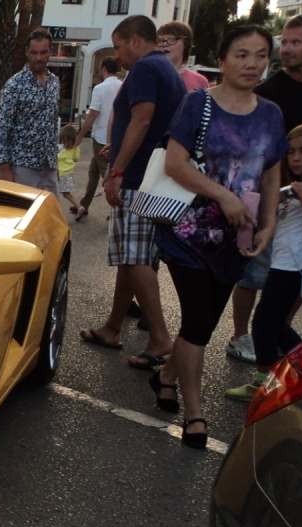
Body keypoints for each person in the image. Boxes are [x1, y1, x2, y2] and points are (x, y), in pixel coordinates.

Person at [148, 25, 284, 449]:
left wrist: (267, 225)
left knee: (200, 323)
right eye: (242, 54)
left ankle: (167, 375)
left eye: (261, 55)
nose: (252, 64)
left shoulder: (271, 113)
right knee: (199, 323)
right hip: (187, 233)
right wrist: (223, 195)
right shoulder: (198, 103)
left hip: (236, 239)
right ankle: (195, 412)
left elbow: (271, 171)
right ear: (221, 59)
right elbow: (175, 163)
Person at [78, 15, 185, 370]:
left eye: (120, 46)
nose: (118, 55)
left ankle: (159, 337)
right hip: (153, 176)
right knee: (130, 254)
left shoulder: (143, 69)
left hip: (137, 179)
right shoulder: (167, 70)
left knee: (136, 258)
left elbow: (141, 118)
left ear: (136, 41)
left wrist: (118, 170)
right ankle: (112, 327)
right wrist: (120, 148)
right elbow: (153, 124)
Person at [229, 15, 302, 363]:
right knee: (252, 271)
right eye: (285, 42)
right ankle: (240, 336)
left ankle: (277, 329)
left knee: (294, 273)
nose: (287, 49)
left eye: (297, 42)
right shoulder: (268, 92)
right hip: (268, 198)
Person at [227, 123, 302, 400]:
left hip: (296, 267)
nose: (296, 158)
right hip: (282, 263)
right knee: (273, 323)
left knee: (265, 322)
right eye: (291, 152)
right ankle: (301, 373)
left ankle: (266, 382)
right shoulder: (292, 187)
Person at [0, 28, 61, 192]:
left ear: (50, 52)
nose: (38, 58)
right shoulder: (14, 85)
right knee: (23, 215)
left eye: (43, 52)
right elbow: (1, 128)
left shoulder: (54, 82)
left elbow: (51, 123)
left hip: (48, 165)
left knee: (50, 215)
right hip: (23, 166)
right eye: (34, 53)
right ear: (27, 52)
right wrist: (5, 169)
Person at [75, 57, 122, 220]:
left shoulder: (100, 88)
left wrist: (80, 135)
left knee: (105, 174)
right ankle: (84, 204)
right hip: (114, 134)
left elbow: (93, 114)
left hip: (100, 135)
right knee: (93, 171)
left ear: (103, 68)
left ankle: (117, 207)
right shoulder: (121, 85)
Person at [158, 22, 210, 92]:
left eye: (171, 39)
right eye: (160, 41)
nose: (164, 44)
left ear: (185, 43)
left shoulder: (200, 82)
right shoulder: (147, 76)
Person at [57, 124, 81, 213]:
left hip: (59, 173)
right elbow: (76, 158)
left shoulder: (59, 147)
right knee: (67, 194)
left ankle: (79, 207)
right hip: (68, 173)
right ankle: (80, 207)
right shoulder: (74, 147)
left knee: (60, 193)